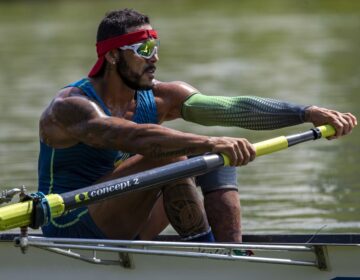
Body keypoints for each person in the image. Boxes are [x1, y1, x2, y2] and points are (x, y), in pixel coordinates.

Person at [38, 9, 357, 242]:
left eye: (156, 47)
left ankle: (230, 256)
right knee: (175, 152)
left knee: (219, 154)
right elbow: (125, 135)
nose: (155, 59)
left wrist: (306, 112)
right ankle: (204, 254)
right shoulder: (69, 107)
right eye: (144, 51)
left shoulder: (163, 97)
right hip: (71, 226)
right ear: (111, 57)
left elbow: (234, 109)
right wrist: (204, 143)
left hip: (129, 218)